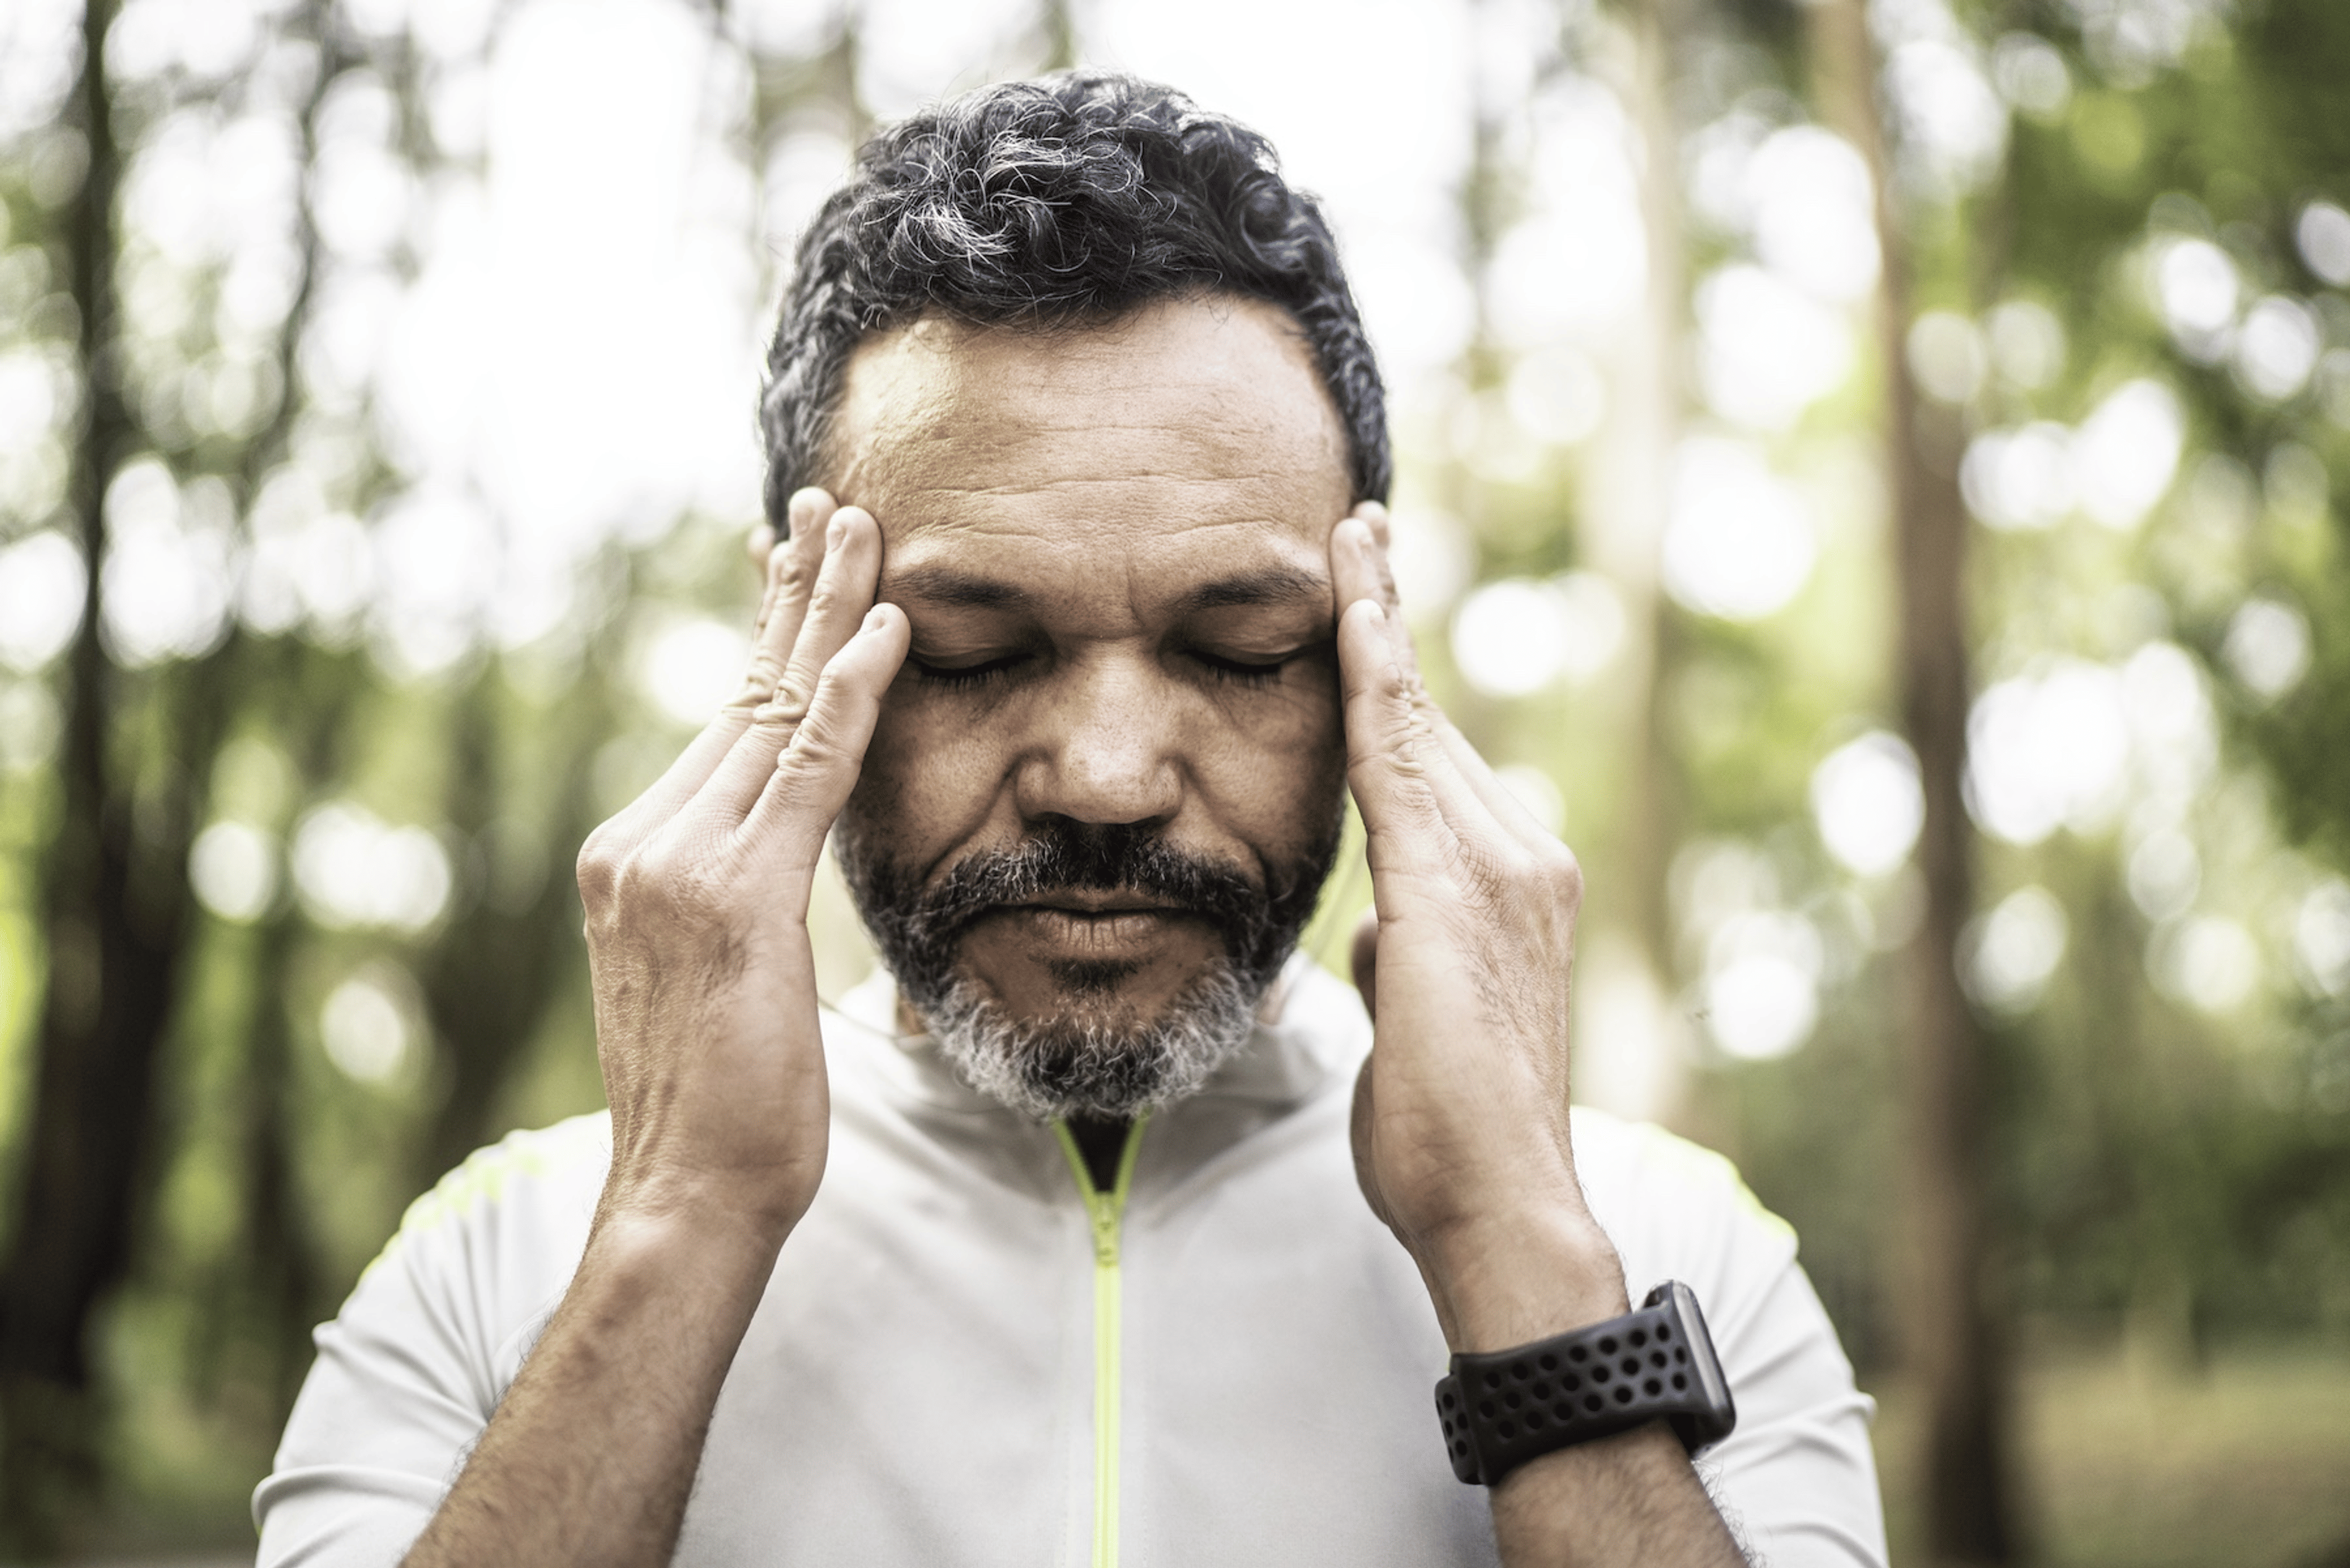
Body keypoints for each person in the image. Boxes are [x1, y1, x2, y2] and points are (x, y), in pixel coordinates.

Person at [255, 71, 1886, 1567]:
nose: (1106, 780)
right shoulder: (507, 1272)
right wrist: (678, 1228)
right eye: (975, 656)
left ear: (1365, 642)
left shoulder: (1668, 1256)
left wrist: (1518, 1254)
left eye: (1237, 649)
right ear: (798, 651)